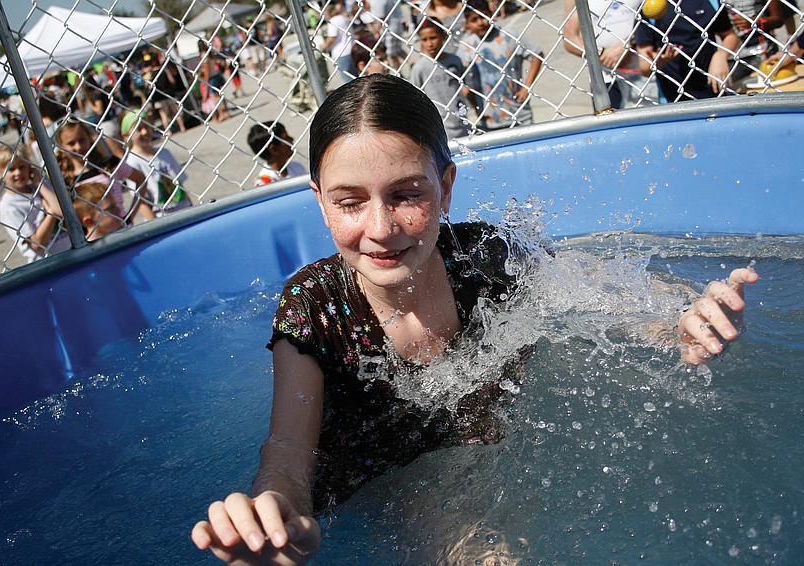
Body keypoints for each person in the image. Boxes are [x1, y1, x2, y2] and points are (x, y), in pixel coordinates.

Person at [191, 74, 758, 564]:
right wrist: (279, 513)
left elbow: (600, 287)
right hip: (390, 478)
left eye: (406, 195)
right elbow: (289, 450)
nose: (381, 227)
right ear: (319, 200)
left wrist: (675, 319)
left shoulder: (483, 258)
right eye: (350, 202)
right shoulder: (314, 308)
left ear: (445, 188)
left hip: (487, 447)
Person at [458, 0, 544, 130]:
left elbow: (537, 54)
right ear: (467, 24)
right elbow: (463, 81)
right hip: (489, 117)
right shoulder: (467, 47)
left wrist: (526, 87)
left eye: (483, 16)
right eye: (474, 20)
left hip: (518, 112)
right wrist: (475, 103)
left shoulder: (508, 36)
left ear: (492, 15)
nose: (480, 23)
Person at [635, 0, 740, 102]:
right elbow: (644, 68)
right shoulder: (647, 8)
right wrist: (658, 62)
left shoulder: (711, 2)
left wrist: (721, 54)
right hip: (673, 97)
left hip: (713, 89)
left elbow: (730, 36)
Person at [55, 118, 155, 223]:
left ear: (89, 138)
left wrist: (130, 215)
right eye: (71, 143)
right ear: (61, 147)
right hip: (93, 235)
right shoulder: (65, 181)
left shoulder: (109, 164)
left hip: (121, 226)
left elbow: (141, 179)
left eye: (82, 140)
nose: (78, 146)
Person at [562, 0, 659, 108]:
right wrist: (600, 53)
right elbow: (569, 38)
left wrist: (629, 43)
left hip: (644, 74)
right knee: (612, 121)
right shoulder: (583, 2)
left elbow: (659, 22)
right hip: (605, 78)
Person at [0, 144, 70, 262]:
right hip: (48, 261)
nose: (18, 173)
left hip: (69, 249)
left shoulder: (40, 187)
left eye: (22, 167)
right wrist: (50, 213)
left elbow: (64, 211)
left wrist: (39, 184)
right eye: (11, 169)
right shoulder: (9, 206)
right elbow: (37, 244)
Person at [410, 17, 480, 139]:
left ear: (443, 36)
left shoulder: (454, 61)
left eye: (433, 38)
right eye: (424, 40)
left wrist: (476, 107)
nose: (429, 43)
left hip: (461, 122)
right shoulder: (420, 68)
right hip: (439, 128)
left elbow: (465, 88)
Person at [120, 109, 192, 216]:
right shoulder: (132, 162)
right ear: (126, 135)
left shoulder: (164, 153)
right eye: (138, 129)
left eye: (146, 126)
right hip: (163, 217)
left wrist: (191, 205)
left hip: (184, 208)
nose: (145, 131)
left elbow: (180, 185)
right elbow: (141, 202)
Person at [246, 121, 307, 188]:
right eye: (286, 137)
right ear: (274, 149)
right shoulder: (264, 183)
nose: (292, 139)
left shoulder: (297, 167)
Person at [320, 1, 356, 82]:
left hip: (340, 52)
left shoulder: (333, 21)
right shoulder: (343, 18)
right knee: (354, 75)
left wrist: (324, 46)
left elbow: (332, 37)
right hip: (351, 48)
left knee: (347, 78)